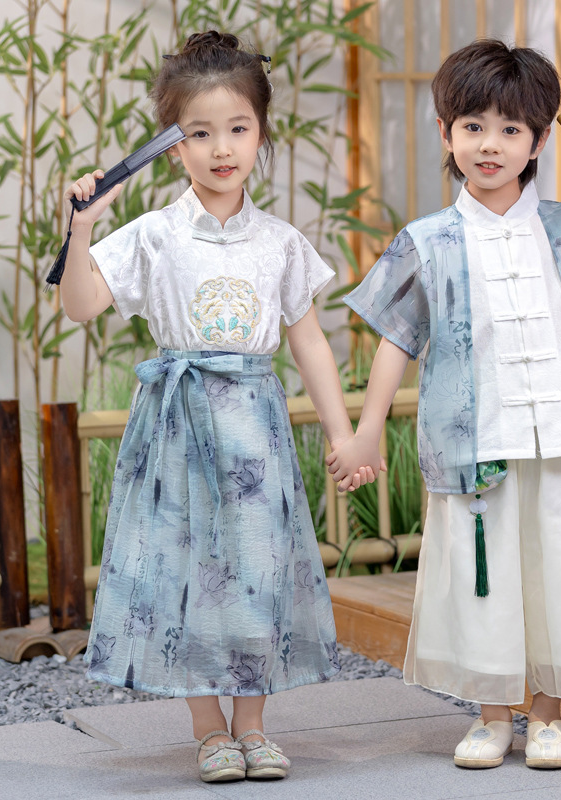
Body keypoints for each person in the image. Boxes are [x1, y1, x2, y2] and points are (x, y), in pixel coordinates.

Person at [327, 38, 561, 770]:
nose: (490, 145)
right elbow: (397, 338)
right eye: (473, 126)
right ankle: (492, 716)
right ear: (446, 133)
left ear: (540, 140)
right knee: (485, 577)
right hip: (474, 444)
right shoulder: (427, 241)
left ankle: (550, 716)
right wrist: (368, 429)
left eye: (511, 129)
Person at [59, 31, 373, 783]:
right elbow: (80, 305)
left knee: (257, 568)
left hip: (255, 427)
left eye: (238, 128)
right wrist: (82, 228)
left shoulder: (280, 243)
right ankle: (208, 729)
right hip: (176, 425)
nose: (221, 148)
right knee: (186, 569)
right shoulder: (155, 235)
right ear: (173, 146)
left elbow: (309, 344)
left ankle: (254, 725)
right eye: (199, 133)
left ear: (261, 134)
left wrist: (343, 433)